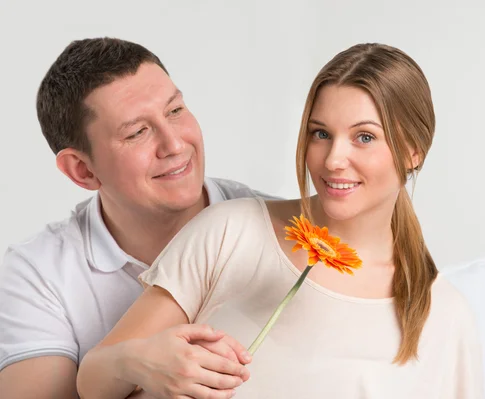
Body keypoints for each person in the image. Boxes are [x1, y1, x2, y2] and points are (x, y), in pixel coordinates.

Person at [77, 43, 484, 399]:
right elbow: (92, 382)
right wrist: (139, 362)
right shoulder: (230, 232)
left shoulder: (443, 315)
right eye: (320, 134)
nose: (333, 160)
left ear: (413, 151)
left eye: (364, 137)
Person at [0, 37, 280, 399]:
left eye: (175, 111)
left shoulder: (285, 228)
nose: (175, 145)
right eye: (137, 132)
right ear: (83, 171)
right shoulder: (37, 276)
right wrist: (130, 365)